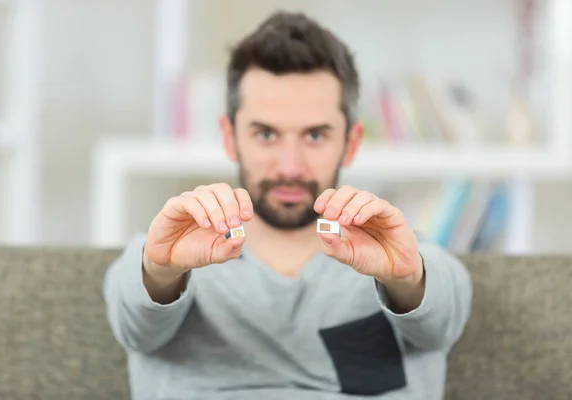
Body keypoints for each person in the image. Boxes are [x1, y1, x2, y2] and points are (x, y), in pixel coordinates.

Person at [103, 10, 473, 400]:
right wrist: (160, 275)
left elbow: (444, 315)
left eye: (315, 135)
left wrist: (406, 280)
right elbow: (134, 320)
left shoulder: (401, 260)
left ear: (350, 142)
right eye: (265, 134)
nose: (289, 166)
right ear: (230, 138)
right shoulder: (170, 257)